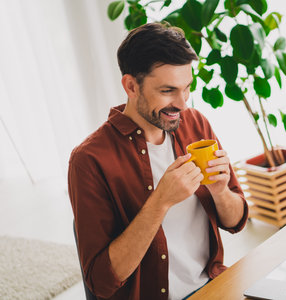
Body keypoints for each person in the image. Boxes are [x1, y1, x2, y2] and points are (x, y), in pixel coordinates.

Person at [68, 22, 248, 300]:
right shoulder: (89, 160)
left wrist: (221, 191)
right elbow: (101, 281)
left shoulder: (195, 124)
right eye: (168, 91)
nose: (183, 103)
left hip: (214, 286)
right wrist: (160, 201)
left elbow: (237, 221)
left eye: (186, 88)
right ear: (131, 86)